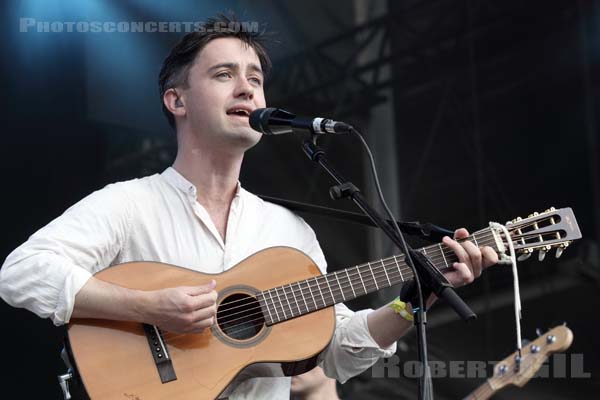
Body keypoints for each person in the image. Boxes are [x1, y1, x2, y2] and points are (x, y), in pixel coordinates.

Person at [0, 14, 498, 399]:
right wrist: (146, 306)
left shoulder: (288, 232)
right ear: (177, 101)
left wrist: (412, 303)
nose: (247, 88)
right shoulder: (128, 205)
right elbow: (21, 272)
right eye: (224, 74)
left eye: (255, 78)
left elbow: (335, 349)